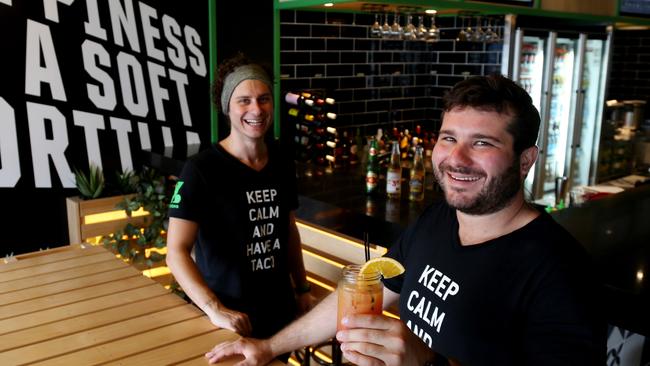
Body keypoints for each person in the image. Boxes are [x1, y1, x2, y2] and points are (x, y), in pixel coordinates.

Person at [204, 74, 605, 365]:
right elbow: (362, 289)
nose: (456, 158)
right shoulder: (437, 220)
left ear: (526, 161)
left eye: (482, 143)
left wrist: (426, 363)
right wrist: (270, 346)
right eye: (449, 138)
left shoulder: (560, 273)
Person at [165, 53, 314, 349]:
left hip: (278, 311)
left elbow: (287, 229)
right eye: (244, 100)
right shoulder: (200, 169)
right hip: (227, 317)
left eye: (263, 99)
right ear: (227, 108)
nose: (256, 109)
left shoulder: (281, 160)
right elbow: (175, 252)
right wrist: (214, 309)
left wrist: (302, 288)